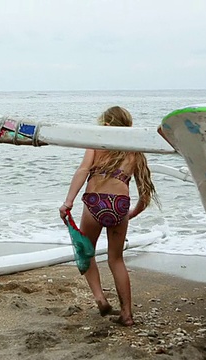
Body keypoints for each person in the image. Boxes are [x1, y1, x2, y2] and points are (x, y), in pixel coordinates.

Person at [59, 106, 159, 326]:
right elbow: (144, 193)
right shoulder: (135, 150)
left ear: (106, 125)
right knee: (116, 259)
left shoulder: (97, 141)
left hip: (96, 202)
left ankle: (100, 298)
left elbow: (83, 170)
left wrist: (68, 202)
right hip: (120, 205)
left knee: (86, 252)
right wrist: (132, 213)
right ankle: (127, 314)